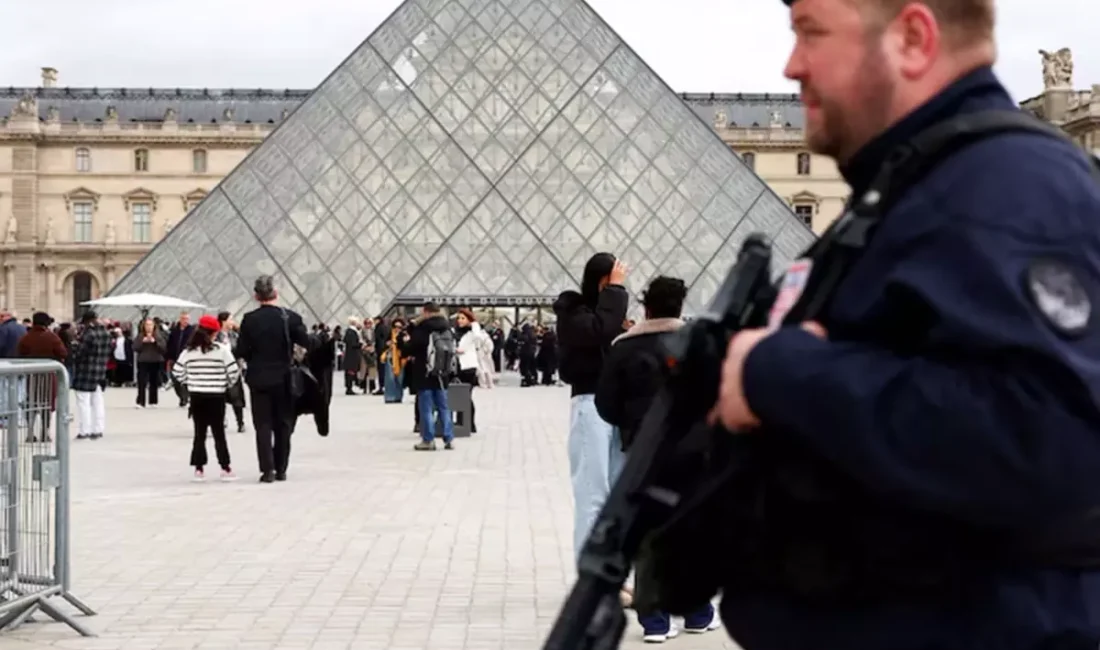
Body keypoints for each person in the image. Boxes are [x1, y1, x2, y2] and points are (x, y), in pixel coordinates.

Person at [703, 0, 1100, 648]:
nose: (792, 63)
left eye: (811, 32)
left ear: (913, 38)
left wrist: (779, 370)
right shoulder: (922, 188)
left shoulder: (1008, 187)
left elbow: (1053, 438)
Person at [594, 277, 720, 641]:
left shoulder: (622, 348)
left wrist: (631, 425)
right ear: (680, 306)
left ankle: (655, 622)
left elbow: (605, 405)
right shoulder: (697, 342)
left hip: (644, 451)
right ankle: (697, 613)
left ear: (645, 307)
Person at [553, 253, 629, 562]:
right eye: (615, 280)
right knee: (592, 494)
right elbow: (598, 330)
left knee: (612, 495)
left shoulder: (603, 315)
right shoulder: (573, 312)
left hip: (613, 408)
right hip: (590, 406)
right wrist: (616, 291)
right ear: (603, 281)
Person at [235, 276, 310, 483]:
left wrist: (253, 358)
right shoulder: (291, 317)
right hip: (284, 378)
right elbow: (306, 342)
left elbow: (241, 350)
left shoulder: (249, 319)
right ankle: (281, 468)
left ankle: (267, 471)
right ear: (276, 294)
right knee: (284, 424)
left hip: (258, 378)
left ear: (256, 296)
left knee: (263, 425)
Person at [172, 315, 240, 482]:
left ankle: (199, 468)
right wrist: (225, 383)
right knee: (219, 433)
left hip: (197, 396)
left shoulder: (188, 352)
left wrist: (190, 382)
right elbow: (234, 372)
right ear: (213, 333)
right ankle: (225, 467)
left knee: (199, 433)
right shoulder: (221, 351)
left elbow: (177, 372)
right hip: (216, 396)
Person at [402, 303, 456, 451]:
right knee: (444, 407)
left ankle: (428, 440)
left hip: (424, 372)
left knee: (426, 408)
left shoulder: (423, 328)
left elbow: (410, 348)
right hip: (442, 373)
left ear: (425, 311)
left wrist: (407, 337)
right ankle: (449, 438)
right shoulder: (447, 327)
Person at [17, 311, 67, 443]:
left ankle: (30, 432)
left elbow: (19, 353)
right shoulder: (52, 337)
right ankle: (45, 432)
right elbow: (63, 352)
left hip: (31, 374)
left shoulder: (26, 337)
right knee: (46, 405)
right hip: (48, 374)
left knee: (31, 403)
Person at [70, 311, 111, 440]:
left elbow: (81, 353)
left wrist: (74, 348)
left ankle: (84, 430)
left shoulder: (89, 334)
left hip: (86, 371)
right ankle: (98, 429)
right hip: (100, 371)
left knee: (83, 403)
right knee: (98, 402)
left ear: (88, 321)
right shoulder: (106, 333)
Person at [454, 308, 491, 433]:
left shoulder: (473, 332)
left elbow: (478, 338)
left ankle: (469, 423)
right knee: (458, 396)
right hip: (457, 366)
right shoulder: (454, 331)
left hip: (469, 366)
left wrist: (474, 324)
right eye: (458, 318)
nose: (460, 321)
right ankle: (460, 421)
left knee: (467, 396)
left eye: (463, 318)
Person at [133, 317, 167, 408]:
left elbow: (163, 348)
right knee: (142, 381)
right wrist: (142, 342)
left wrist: (155, 342)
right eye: (147, 325)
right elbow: (135, 347)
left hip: (155, 360)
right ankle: (141, 401)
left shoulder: (159, 335)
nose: (149, 327)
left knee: (154, 381)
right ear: (143, 326)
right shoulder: (140, 335)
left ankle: (153, 401)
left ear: (154, 326)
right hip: (143, 360)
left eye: (150, 325)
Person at [379, 318, 407, 404]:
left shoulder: (404, 335)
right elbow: (383, 345)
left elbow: (406, 347)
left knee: (399, 379)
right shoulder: (390, 334)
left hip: (401, 359)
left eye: (399, 327)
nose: (397, 328)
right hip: (390, 358)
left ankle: (398, 396)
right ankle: (389, 397)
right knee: (390, 378)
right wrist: (388, 344)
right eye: (395, 326)